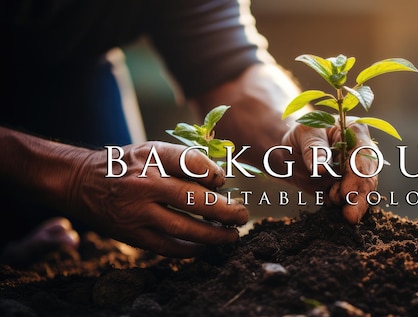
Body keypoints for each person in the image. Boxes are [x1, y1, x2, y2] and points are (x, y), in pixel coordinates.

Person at [0, 0, 378, 262]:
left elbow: (230, 69)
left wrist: (300, 129)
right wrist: (73, 175)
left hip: (69, 66)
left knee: (103, 240)